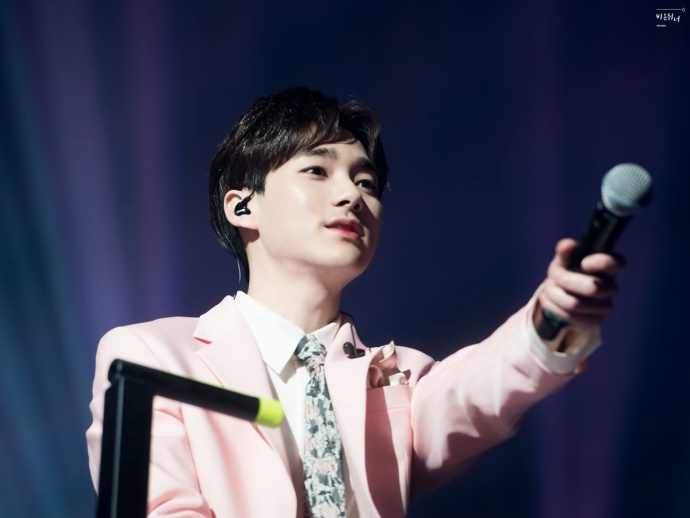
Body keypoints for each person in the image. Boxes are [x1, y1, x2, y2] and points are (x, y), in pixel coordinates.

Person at [86, 87, 624, 517]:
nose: (351, 195)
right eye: (317, 170)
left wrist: (552, 317)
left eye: (365, 181)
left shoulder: (399, 377)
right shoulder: (151, 356)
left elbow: (481, 388)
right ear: (242, 206)